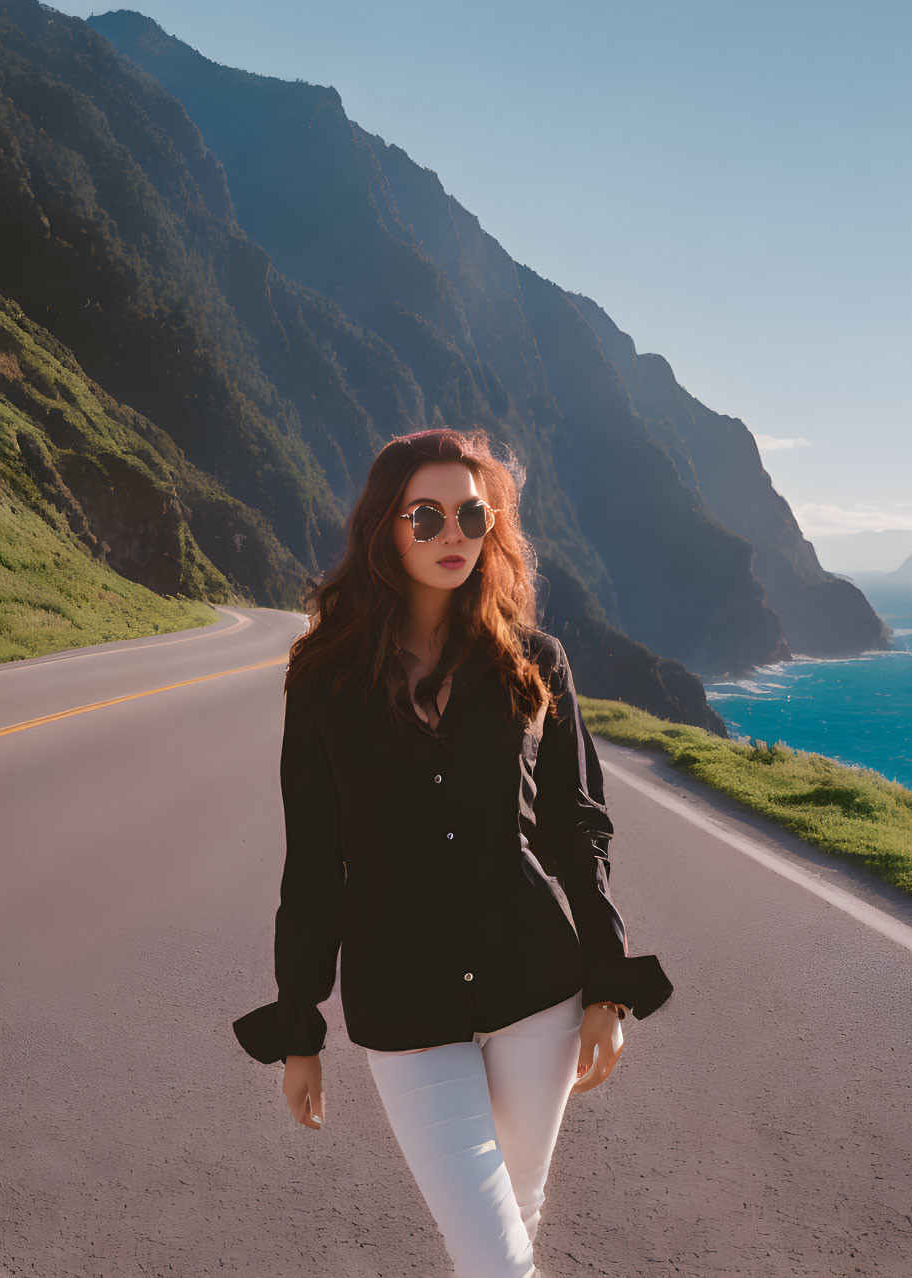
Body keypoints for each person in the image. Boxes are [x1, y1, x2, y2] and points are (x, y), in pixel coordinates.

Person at [231, 426, 674, 1277]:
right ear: (383, 530)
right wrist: (299, 1026)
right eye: (425, 516)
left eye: (472, 516)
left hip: (536, 984)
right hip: (402, 1004)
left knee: (519, 1214)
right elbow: (314, 861)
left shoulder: (534, 662)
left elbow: (577, 827)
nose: (453, 537)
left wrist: (606, 990)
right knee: (493, 1255)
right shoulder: (322, 678)